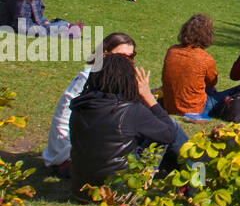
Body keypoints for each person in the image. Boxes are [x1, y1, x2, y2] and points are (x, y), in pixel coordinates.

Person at [69, 53, 189, 191]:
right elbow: (169, 134)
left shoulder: (78, 107)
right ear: (128, 79)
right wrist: (149, 97)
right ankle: (198, 172)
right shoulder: (129, 110)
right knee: (169, 127)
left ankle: (185, 169)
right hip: (120, 190)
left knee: (154, 132)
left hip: (81, 188)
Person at [43, 31, 136, 175]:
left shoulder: (111, 77)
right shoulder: (88, 77)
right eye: (121, 56)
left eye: (131, 57)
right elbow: (63, 116)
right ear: (104, 54)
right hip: (69, 149)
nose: (127, 62)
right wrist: (62, 152)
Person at [162, 14, 223, 118]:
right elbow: (212, 82)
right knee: (235, 92)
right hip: (194, 110)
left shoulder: (172, 51)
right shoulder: (205, 58)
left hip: (169, 106)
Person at [12, 0, 81, 37]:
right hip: (27, 28)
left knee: (45, 20)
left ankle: (65, 32)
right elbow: (37, 19)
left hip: (17, 26)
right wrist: (46, 25)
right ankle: (69, 27)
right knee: (63, 23)